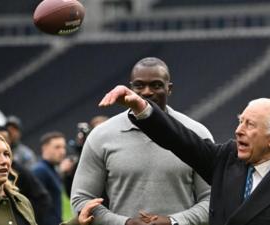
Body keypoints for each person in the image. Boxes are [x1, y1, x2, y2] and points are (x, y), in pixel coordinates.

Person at [98, 85, 270, 225]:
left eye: (250, 124)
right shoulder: (226, 160)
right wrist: (140, 106)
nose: (239, 130)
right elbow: (180, 139)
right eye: (240, 121)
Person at [72, 57, 213, 225]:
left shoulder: (196, 133)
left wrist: (174, 222)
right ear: (130, 88)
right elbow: (82, 200)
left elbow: (213, 199)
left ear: (169, 89)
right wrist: (124, 223)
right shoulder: (101, 136)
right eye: (139, 85)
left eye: (156, 85)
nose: (146, 92)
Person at [0, 125, 53, 225]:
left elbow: (42, 198)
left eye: (5, 139)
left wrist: (24, 219)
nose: (2, 143)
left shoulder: (19, 171)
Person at [32, 131, 67, 225]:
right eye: (57, 147)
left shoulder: (52, 170)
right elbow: (34, 207)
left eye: (64, 147)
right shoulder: (39, 171)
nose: (63, 151)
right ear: (45, 148)